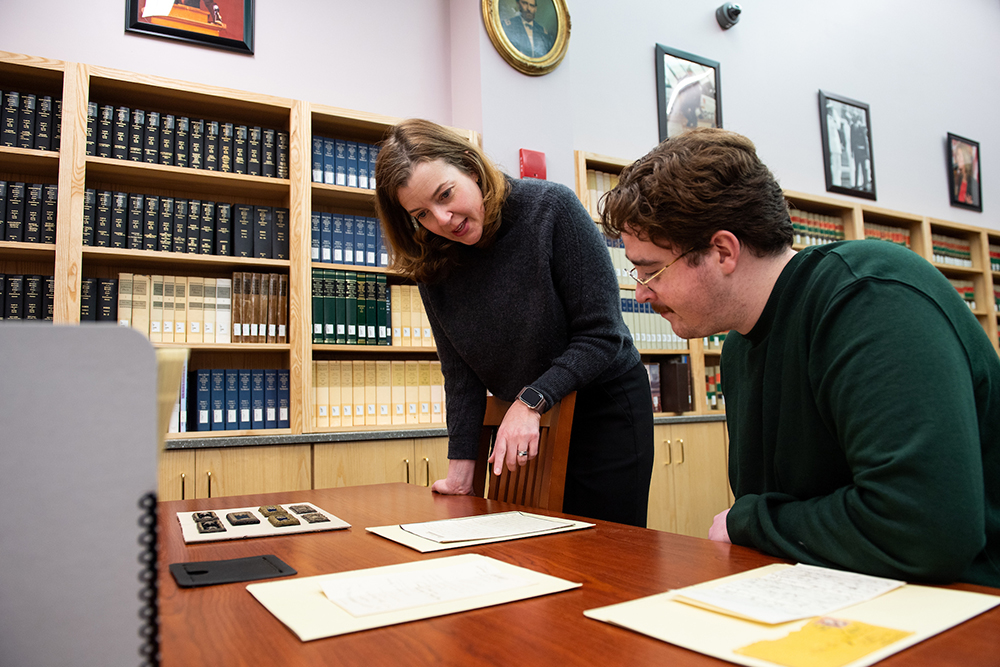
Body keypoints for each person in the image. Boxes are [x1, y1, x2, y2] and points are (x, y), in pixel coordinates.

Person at [599, 127, 1000, 587]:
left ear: (723, 251)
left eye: (651, 271)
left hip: (969, 605)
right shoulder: (737, 350)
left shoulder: (871, 300)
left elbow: (926, 529)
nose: (643, 293)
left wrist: (747, 521)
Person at [374, 118, 654, 527]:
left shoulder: (551, 209)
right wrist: (462, 464)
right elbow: (460, 373)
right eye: (422, 213)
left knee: (607, 562)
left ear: (471, 167)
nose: (443, 219)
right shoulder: (433, 264)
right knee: (532, 558)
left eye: (446, 194)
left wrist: (531, 400)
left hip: (602, 410)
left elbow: (602, 335)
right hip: (523, 425)